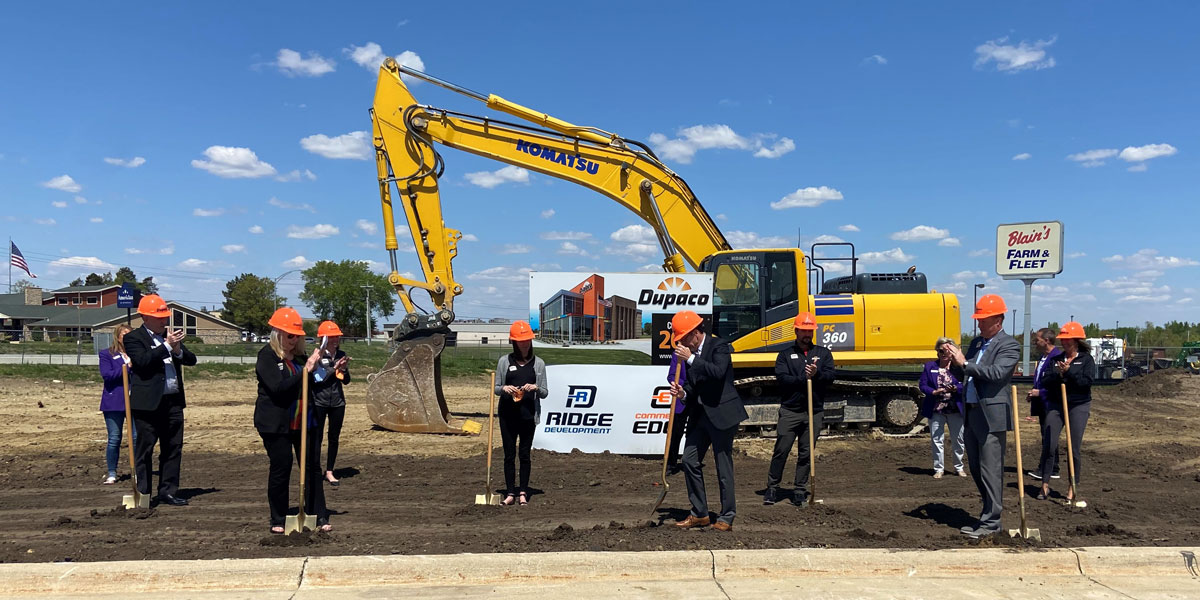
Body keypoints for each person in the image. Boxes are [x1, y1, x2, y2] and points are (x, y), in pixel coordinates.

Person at [947, 294, 1019, 539]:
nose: (978, 324)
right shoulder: (977, 343)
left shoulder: (1009, 345)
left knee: (991, 470)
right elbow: (964, 371)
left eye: (983, 319)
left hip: (991, 417)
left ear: (998, 320)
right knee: (977, 468)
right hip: (971, 412)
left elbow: (997, 373)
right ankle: (988, 514)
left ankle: (991, 523)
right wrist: (952, 361)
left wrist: (964, 363)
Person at [669, 310, 748, 531]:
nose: (683, 344)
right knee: (689, 460)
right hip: (700, 416)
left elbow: (718, 372)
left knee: (723, 466)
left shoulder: (719, 346)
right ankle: (699, 513)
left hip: (722, 415)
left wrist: (692, 359)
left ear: (694, 333)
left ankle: (727, 516)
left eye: (684, 338)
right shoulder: (689, 356)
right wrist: (682, 393)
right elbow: (693, 386)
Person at [254, 307, 330, 533]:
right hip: (276, 423)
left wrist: (324, 369)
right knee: (282, 467)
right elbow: (278, 389)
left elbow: (315, 383)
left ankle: (318, 514)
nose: (293, 340)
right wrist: (304, 372)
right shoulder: (266, 356)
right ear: (277, 334)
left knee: (312, 468)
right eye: (289, 335)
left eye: (297, 336)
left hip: (305, 422)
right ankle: (278, 518)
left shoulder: (300, 357)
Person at [124, 295, 197, 506]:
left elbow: (191, 360)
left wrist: (177, 349)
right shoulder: (134, 338)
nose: (163, 321)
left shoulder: (170, 337)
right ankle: (144, 493)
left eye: (165, 317)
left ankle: (168, 490)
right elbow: (142, 362)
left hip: (172, 402)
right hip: (147, 404)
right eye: (159, 318)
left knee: (173, 448)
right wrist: (166, 346)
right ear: (145, 317)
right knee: (145, 449)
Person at [764, 312, 834, 506]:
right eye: (804, 330)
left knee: (806, 453)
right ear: (796, 331)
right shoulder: (785, 355)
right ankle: (772, 488)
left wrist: (816, 373)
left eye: (810, 331)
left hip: (814, 411)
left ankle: (800, 490)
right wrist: (804, 378)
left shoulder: (823, 354)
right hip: (790, 411)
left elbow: (830, 377)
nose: (807, 334)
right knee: (782, 450)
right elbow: (783, 380)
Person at [1037, 321, 1094, 502]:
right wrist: (1060, 374)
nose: (1065, 343)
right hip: (1056, 404)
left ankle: (1072, 486)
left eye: (1068, 340)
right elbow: (1045, 381)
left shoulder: (1086, 360)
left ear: (1076, 341)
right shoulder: (1056, 360)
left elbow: (1086, 383)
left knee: (1073, 447)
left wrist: (1069, 373)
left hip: (1078, 405)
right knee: (1050, 443)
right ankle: (1044, 484)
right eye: (1063, 340)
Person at [493, 320, 547, 506]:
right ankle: (510, 492)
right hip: (508, 416)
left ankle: (523, 491)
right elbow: (496, 388)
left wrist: (536, 387)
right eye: (520, 341)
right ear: (514, 342)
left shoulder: (538, 364)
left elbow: (545, 392)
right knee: (509, 454)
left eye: (527, 340)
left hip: (528, 415)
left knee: (524, 454)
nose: (524, 344)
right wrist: (505, 388)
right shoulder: (504, 361)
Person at [310, 321, 351, 487]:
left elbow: (346, 381)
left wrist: (344, 370)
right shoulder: (317, 356)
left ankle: (330, 471)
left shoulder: (341, 354)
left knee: (334, 438)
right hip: (319, 401)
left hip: (337, 402)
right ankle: (315, 470)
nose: (335, 340)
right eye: (332, 337)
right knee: (317, 437)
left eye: (337, 337)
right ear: (324, 339)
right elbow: (318, 380)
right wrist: (334, 367)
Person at [918, 337, 966, 479]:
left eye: (948, 350)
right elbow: (923, 385)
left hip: (955, 409)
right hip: (936, 409)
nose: (944, 353)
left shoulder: (960, 368)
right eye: (941, 350)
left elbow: (966, 384)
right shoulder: (930, 366)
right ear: (937, 352)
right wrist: (933, 392)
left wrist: (955, 388)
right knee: (936, 439)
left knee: (958, 439)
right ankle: (939, 468)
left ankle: (959, 467)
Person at [98, 324, 136, 485]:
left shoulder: (136, 354)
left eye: (129, 334)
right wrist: (126, 368)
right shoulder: (107, 354)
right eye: (123, 334)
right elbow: (107, 375)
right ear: (117, 336)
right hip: (114, 402)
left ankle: (137, 470)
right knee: (114, 438)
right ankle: (112, 472)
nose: (126, 337)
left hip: (135, 401)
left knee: (136, 438)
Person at [1026, 327, 1062, 481]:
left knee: (1049, 436)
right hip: (1042, 404)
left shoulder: (1056, 357)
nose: (1035, 343)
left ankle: (1047, 468)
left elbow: (1057, 384)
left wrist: (1040, 393)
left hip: (1051, 403)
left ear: (1046, 340)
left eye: (1037, 340)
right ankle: (1053, 467)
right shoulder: (1042, 358)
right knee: (1047, 435)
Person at [664, 351, 690, 475]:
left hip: (698, 400)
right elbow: (671, 375)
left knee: (694, 433)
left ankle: (691, 461)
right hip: (681, 399)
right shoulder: (677, 354)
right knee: (675, 433)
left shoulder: (700, 354)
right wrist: (679, 385)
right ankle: (671, 463)